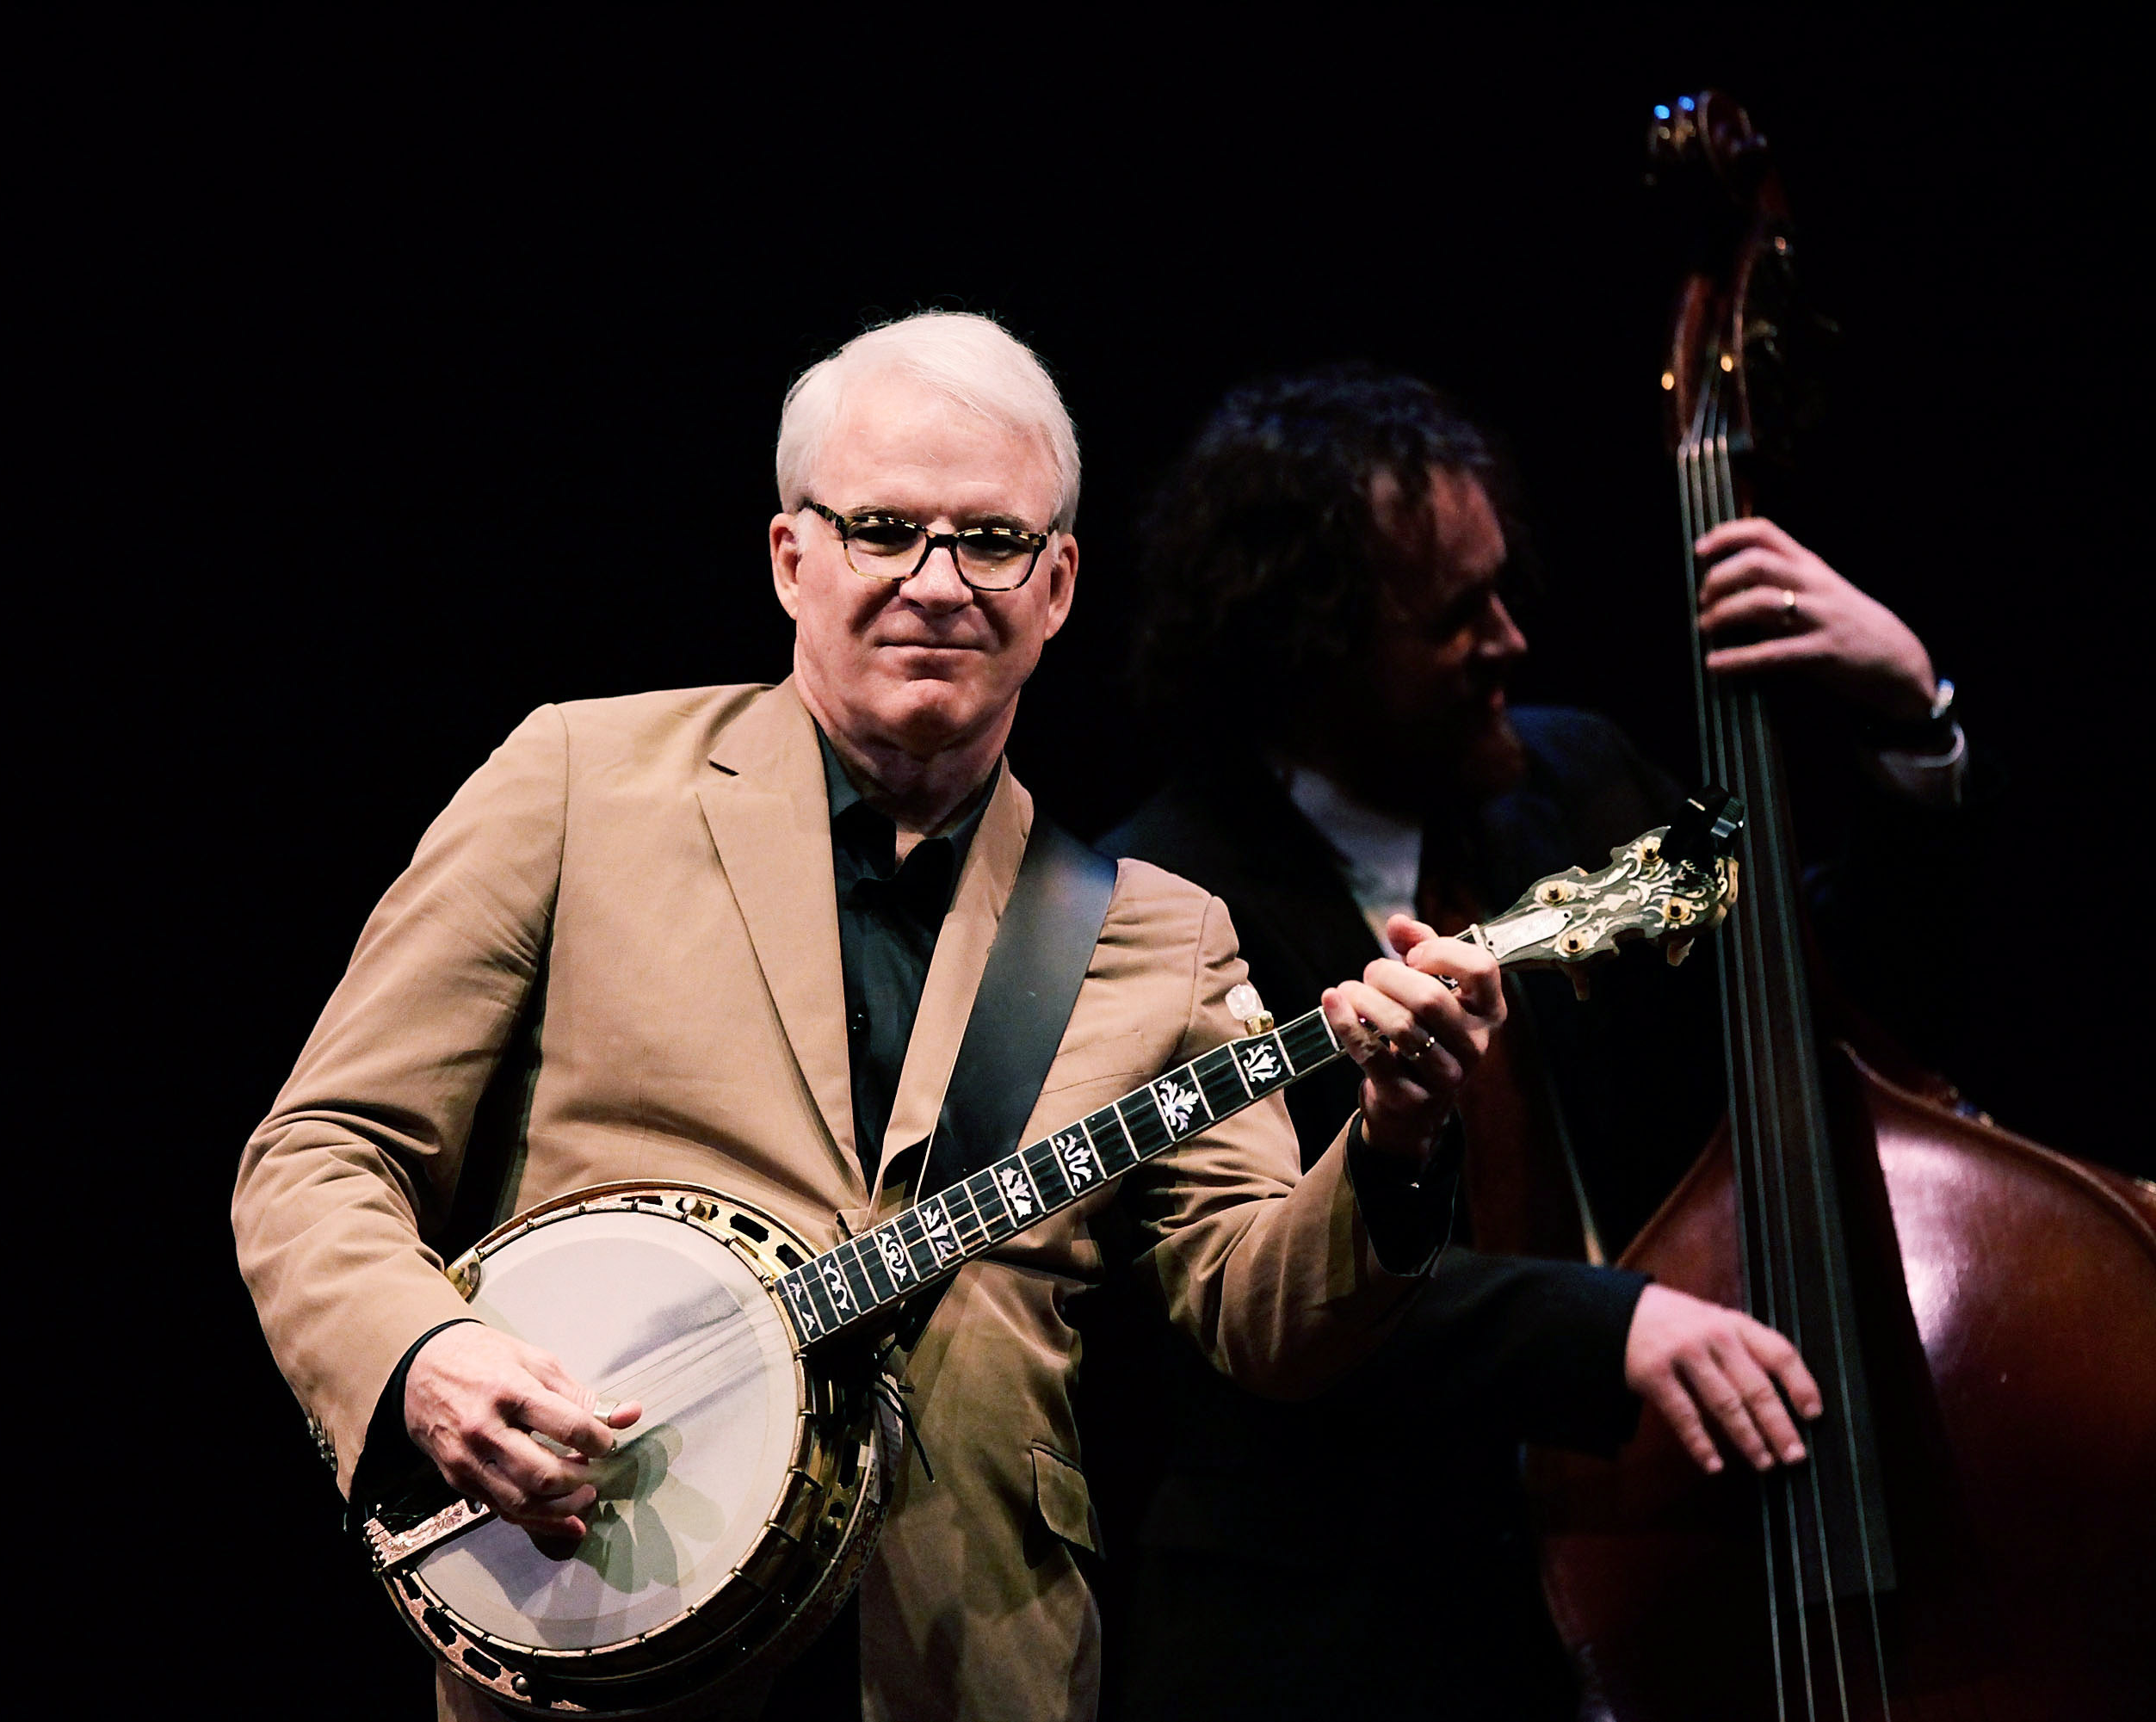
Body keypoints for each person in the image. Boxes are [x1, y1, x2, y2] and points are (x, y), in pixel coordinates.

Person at [232, 318, 1512, 1722]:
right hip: (599, 1617)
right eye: (885, 529)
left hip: (965, 1668)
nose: (936, 583)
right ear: (791, 556)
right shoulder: (576, 783)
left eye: (992, 541)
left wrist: (1395, 1135)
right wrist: (422, 1358)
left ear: (1059, 583)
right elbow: (322, 1151)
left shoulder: (1158, 931)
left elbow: (1268, 1316)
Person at [1092, 367, 1968, 1720]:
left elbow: (1835, 1000)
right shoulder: (1151, 903)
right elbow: (1239, 1291)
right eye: (1456, 617)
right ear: (1310, 655)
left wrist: (1913, 722)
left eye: (1504, 588)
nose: (1511, 638)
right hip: (1342, 1644)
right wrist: (1599, 1324)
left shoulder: (1584, 780)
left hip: (1662, 1580)